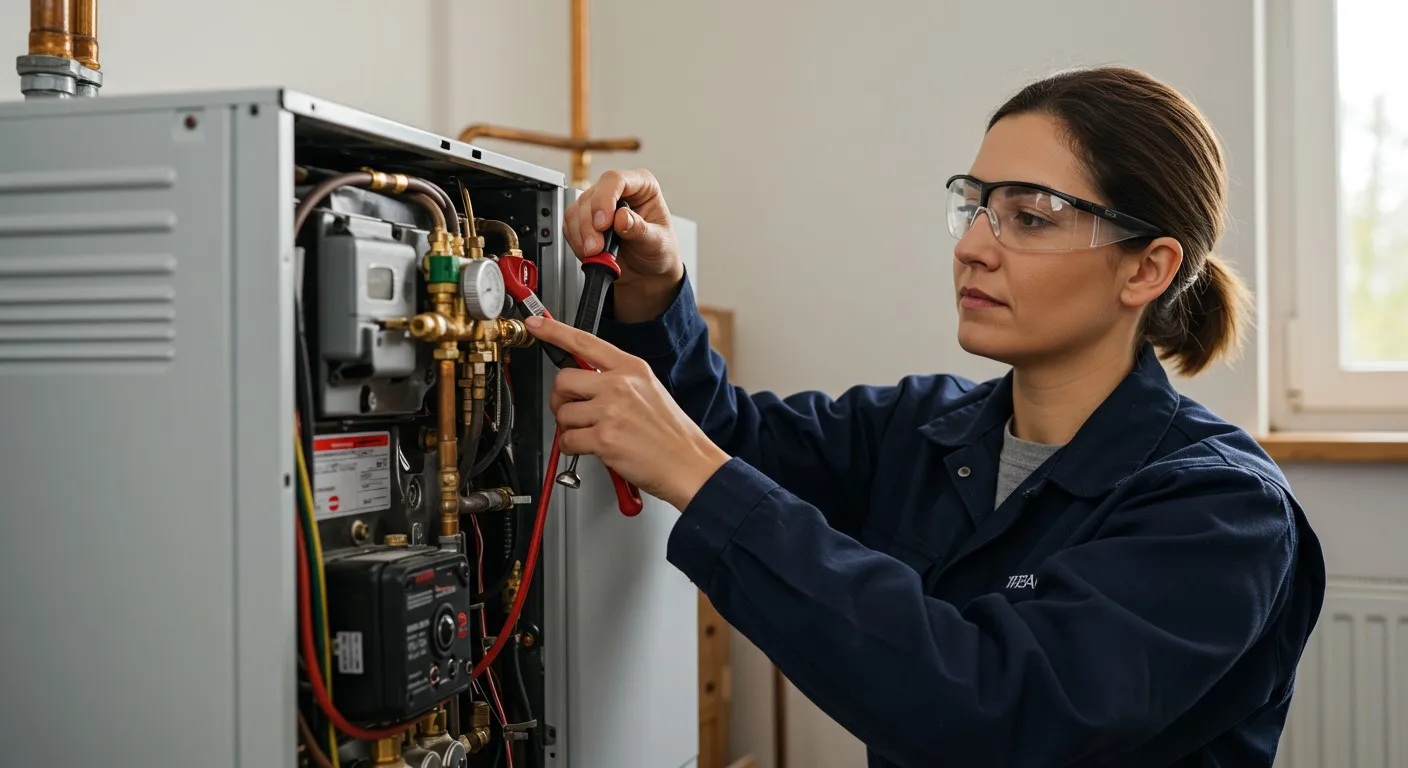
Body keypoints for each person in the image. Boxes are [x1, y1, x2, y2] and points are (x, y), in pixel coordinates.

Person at [523, 66, 1326, 767]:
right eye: (975, 206)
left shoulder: (1220, 513)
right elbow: (726, 438)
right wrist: (655, 289)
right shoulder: (927, 428)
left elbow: (995, 715)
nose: (974, 245)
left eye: (1030, 216)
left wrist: (704, 476)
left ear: (1147, 268)